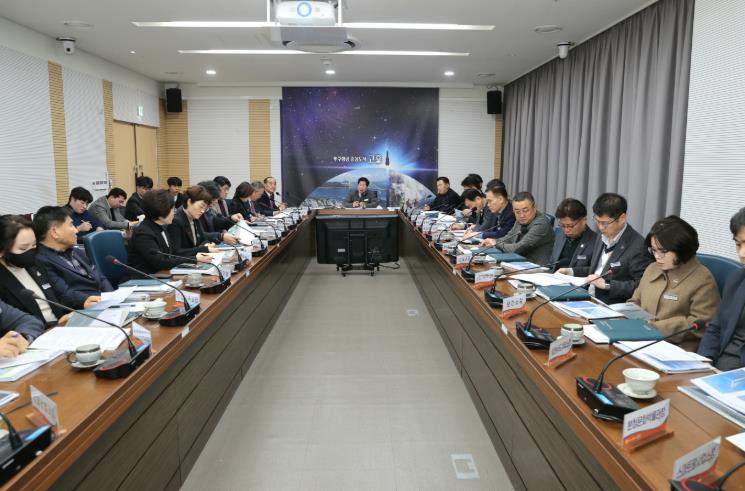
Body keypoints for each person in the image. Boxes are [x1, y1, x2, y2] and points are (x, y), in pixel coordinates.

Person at [627, 216, 720, 351]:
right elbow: (635, 300)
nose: (657, 256)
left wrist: (654, 327)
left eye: (663, 251)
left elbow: (702, 323)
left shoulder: (703, 279)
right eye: (653, 250)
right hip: (640, 340)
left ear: (681, 248)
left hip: (675, 349)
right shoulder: (652, 269)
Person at [563, 193, 652, 304]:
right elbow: (599, 270)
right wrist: (570, 271)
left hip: (610, 305)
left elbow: (641, 286)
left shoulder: (638, 246)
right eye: (597, 221)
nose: (600, 227)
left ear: (622, 218)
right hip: (587, 297)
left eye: (605, 223)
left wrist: (607, 285)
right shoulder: (602, 236)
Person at [33, 206, 112, 310]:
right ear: (54, 233)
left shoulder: (76, 251)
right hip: (85, 309)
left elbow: (100, 277)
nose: (76, 230)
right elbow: (64, 293)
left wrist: (111, 297)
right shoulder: (41, 260)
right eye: (71, 225)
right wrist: (97, 301)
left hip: (106, 303)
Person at [0, 215, 69, 327]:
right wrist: (55, 326)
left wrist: (83, 303)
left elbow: (60, 295)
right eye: (23, 248)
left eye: (34, 245)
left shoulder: (36, 263)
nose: (31, 252)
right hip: (36, 333)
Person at [698, 208, 745, 370]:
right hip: (719, 370)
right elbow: (716, 328)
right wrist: (703, 362)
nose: (742, 253)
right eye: (738, 244)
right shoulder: (737, 279)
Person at [128, 190, 213, 275]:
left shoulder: (160, 227)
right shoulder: (143, 233)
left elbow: (171, 256)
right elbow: (160, 261)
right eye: (172, 209)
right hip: (144, 278)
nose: (175, 211)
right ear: (161, 210)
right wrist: (194, 259)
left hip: (162, 274)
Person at [488, 191, 555, 264]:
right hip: (518, 262)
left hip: (535, 267)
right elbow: (509, 238)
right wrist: (492, 241)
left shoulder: (541, 224)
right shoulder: (520, 220)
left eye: (525, 210)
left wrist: (496, 244)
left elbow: (518, 248)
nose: (522, 215)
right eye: (517, 212)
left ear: (534, 208)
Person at [168, 186, 222, 257]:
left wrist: (207, 244)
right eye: (201, 206)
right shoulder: (176, 221)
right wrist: (204, 249)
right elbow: (176, 252)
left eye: (205, 208)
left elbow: (203, 239)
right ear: (189, 201)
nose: (202, 211)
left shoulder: (195, 217)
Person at [549, 198, 597, 270]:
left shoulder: (595, 241)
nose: (566, 230)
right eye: (563, 225)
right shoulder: (559, 234)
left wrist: (572, 271)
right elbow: (551, 263)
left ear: (584, 220)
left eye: (571, 226)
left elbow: (593, 270)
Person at [196, 181, 241, 245]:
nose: (216, 202)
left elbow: (218, 222)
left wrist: (232, 218)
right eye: (214, 199)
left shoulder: (207, 211)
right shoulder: (194, 212)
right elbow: (197, 235)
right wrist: (221, 236)